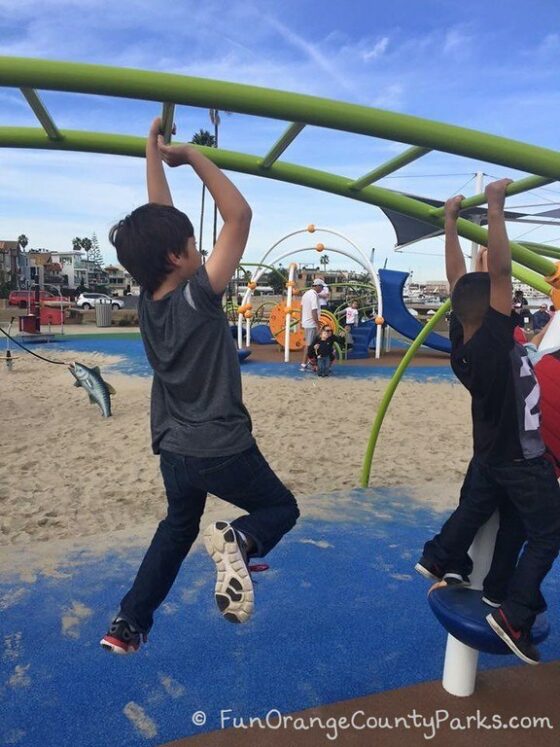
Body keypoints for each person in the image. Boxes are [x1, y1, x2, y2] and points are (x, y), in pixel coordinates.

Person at [100, 118, 299, 654]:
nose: (199, 246)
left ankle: (129, 622)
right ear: (177, 257)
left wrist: (151, 151)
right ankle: (242, 538)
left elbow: (158, 221)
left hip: (174, 449)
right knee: (282, 510)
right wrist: (190, 157)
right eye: (193, 241)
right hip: (220, 445)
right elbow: (240, 215)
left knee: (176, 529)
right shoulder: (198, 294)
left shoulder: (147, 300)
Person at [415, 179, 560, 665]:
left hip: (491, 456)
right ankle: (514, 612)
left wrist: (451, 223)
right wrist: (495, 207)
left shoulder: (464, 341)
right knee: (550, 532)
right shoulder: (497, 343)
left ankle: (444, 556)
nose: (512, 300)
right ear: (494, 308)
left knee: (493, 513)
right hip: (523, 457)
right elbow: (498, 267)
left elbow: (463, 277)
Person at [300, 279, 324, 371]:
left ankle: (309, 363)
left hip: (307, 322)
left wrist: (301, 322)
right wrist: (318, 324)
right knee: (310, 345)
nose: (322, 289)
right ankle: (304, 364)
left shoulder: (306, 294)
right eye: (321, 287)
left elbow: (301, 308)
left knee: (311, 344)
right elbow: (314, 311)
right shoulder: (314, 295)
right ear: (317, 286)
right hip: (311, 323)